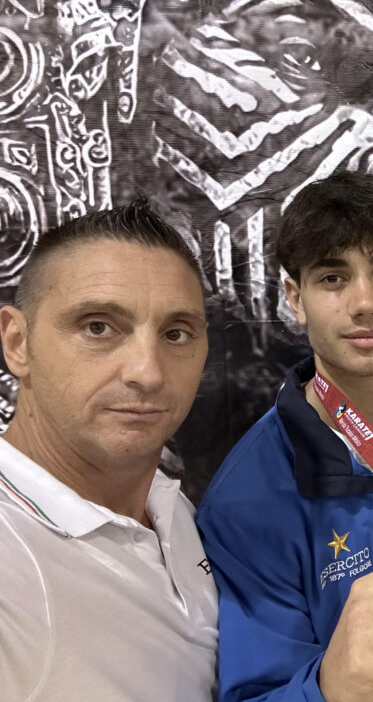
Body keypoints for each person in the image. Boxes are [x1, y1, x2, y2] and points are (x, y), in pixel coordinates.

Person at [196, 172, 373, 702]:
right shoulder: (246, 498)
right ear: (295, 298)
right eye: (332, 278)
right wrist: (334, 683)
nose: (364, 302)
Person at [0, 200, 217, 701]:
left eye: (176, 333)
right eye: (98, 326)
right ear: (17, 343)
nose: (148, 372)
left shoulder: (170, 508)